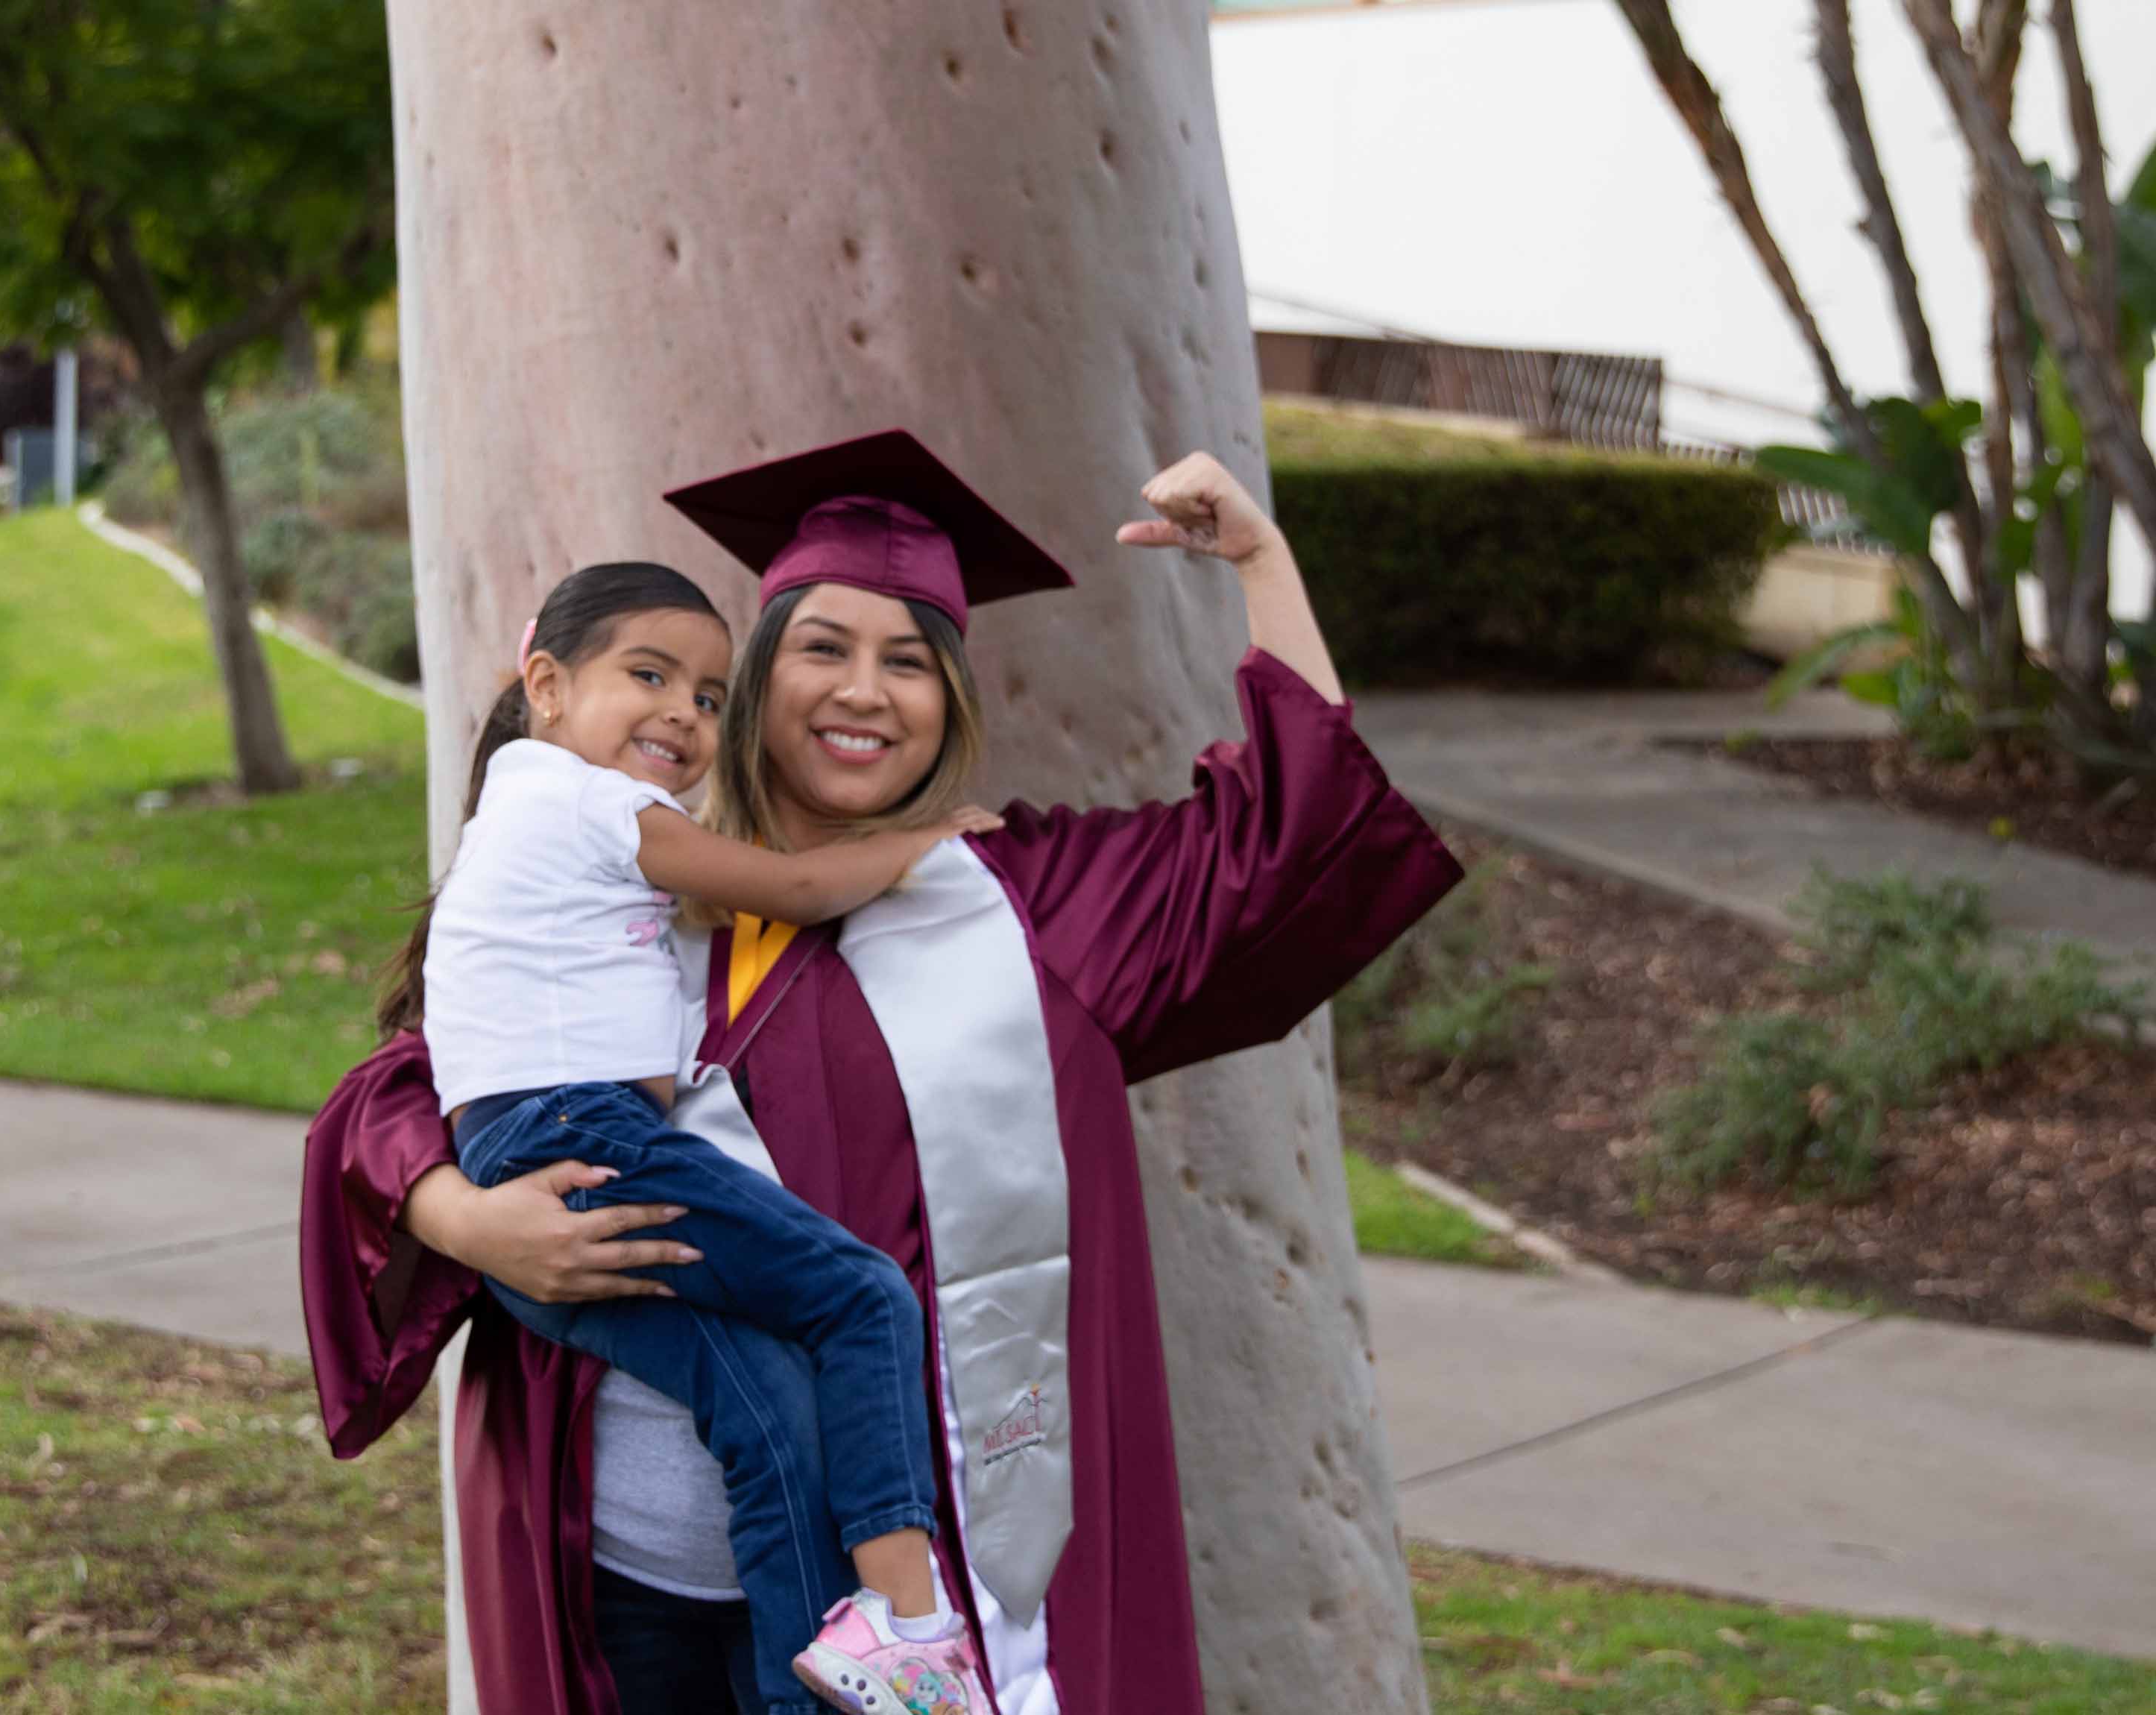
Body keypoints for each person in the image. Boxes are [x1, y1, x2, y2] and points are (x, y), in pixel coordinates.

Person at [301, 430, 1464, 1715]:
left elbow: (1288, 843)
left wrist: (1261, 561)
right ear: (754, 681)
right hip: (611, 1572)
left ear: (949, 706)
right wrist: (467, 1219)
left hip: (875, 1616)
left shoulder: (1031, 913)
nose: (865, 690)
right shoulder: (632, 870)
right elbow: (402, 1091)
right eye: (822, 648)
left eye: (908, 662)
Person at [417, 557, 1005, 1714]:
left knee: (766, 1405)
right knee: (862, 1297)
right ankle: (912, 1618)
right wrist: (923, 845)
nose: (683, 715)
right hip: (583, 1137)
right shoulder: (588, 804)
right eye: (650, 676)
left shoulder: (529, 838)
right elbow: (783, 885)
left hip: (535, 1156)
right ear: (543, 682)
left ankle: (818, 1683)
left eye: (707, 697)